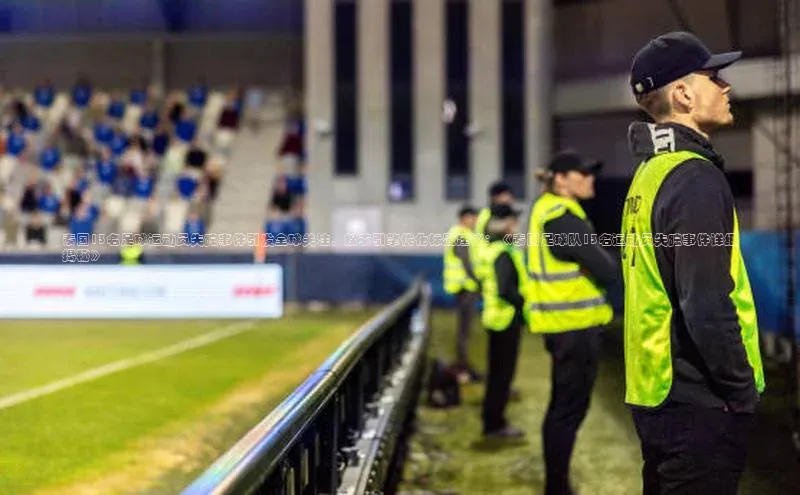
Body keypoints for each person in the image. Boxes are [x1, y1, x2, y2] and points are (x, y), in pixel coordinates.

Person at [621, 31, 765, 494]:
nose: (726, 86)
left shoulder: (649, 174)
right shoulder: (694, 177)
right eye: (714, 77)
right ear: (683, 94)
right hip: (699, 402)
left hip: (657, 391)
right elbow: (705, 303)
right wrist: (741, 390)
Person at [526, 150, 618, 495]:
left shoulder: (549, 212)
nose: (590, 179)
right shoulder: (561, 219)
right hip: (573, 327)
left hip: (564, 326)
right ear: (562, 180)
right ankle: (557, 487)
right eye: (583, 173)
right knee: (566, 410)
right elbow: (607, 270)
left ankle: (557, 484)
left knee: (564, 409)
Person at [480, 203, 528, 439]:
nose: (515, 225)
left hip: (497, 319)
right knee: (501, 377)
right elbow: (505, 290)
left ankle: (492, 421)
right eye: (512, 220)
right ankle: (494, 424)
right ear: (504, 224)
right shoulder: (502, 253)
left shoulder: (496, 249)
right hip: (505, 320)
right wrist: (524, 302)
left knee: (497, 375)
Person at [443, 205, 483, 382]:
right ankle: (462, 366)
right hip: (464, 288)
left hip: (466, 287)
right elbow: (467, 263)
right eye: (472, 218)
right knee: (464, 330)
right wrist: (478, 283)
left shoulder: (466, 234)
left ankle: (463, 365)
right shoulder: (460, 235)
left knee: (465, 330)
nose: (475, 221)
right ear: (464, 218)